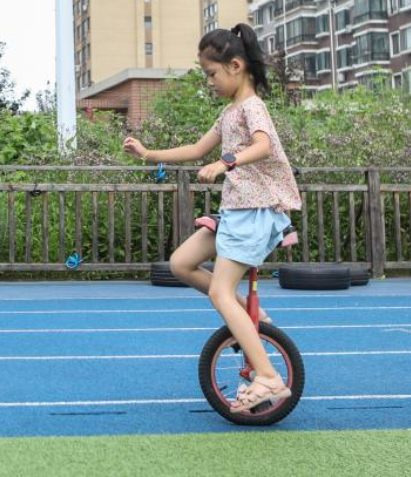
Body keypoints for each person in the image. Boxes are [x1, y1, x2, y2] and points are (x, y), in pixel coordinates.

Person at [123, 24, 301, 413]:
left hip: (256, 213)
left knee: (219, 293)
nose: (209, 82)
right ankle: (249, 314)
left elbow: (263, 145)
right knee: (181, 263)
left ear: (235, 66)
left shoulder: (253, 106)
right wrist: (148, 153)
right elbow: (195, 148)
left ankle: (269, 377)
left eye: (211, 73)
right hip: (235, 213)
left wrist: (226, 162)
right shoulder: (228, 112)